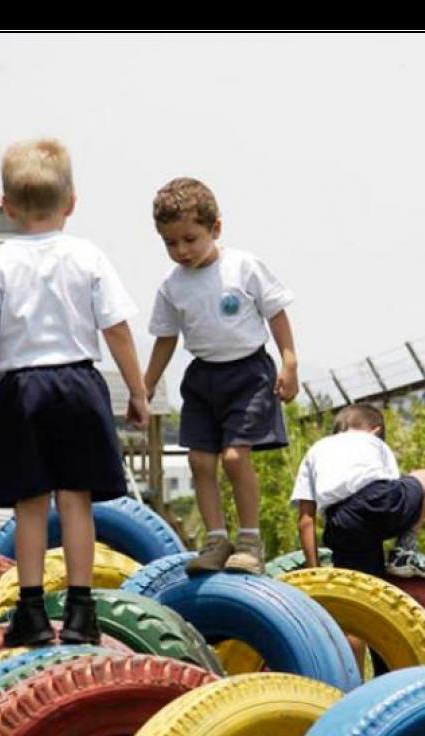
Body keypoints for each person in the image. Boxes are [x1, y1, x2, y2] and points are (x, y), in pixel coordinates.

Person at [0, 138, 149, 647]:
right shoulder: (88, 255)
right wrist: (137, 389)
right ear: (72, 202)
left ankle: (33, 613)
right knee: (77, 501)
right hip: (80, 384)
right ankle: (83, 613)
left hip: (22, 390)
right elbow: (118, 328)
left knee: (30, 506)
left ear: (7, 207)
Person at [144, 177, 299, 574]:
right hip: (202, 378)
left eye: (190, 239)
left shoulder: (243, 267)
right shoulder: (172, 286)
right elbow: (165, 339)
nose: (180, 250)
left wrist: (289, 361)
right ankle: (215, 539)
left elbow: (276, 314)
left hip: (248, 374)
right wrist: (143, 387)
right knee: (198, 460)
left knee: (234, 457)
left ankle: (249, 540)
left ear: (215, 229)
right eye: (170, 243)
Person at [291, 403, 425, 672]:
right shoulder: (375, 444)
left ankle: (353, 688)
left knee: (357, 608)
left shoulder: (315, 451)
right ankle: (404, 550)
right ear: (375, 430)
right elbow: (391, 486)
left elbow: (306, 519)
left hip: (342, 523)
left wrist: (314, 570)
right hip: (379, 500)